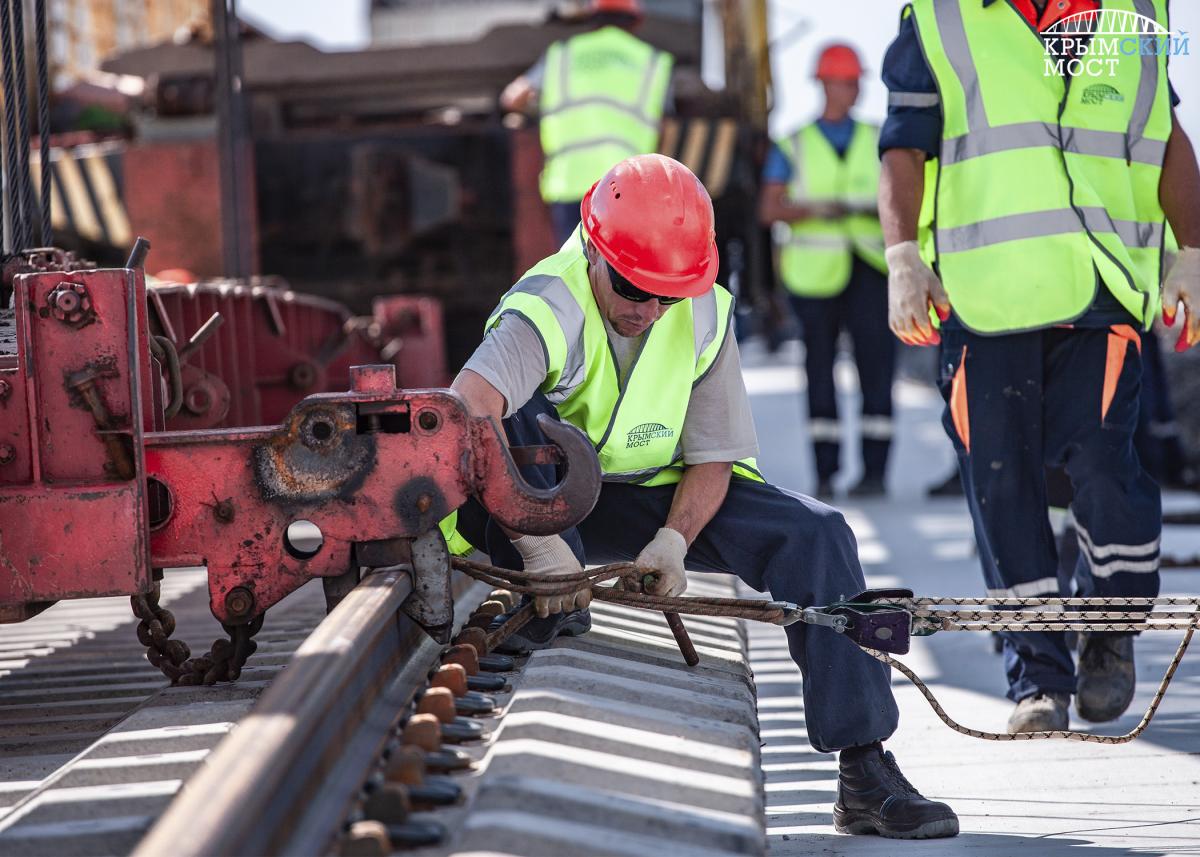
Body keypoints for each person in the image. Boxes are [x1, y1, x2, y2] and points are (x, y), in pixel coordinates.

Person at [446, 153, 959, 839]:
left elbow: (715, 456)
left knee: (818, 534)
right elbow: (463, 409)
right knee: (507, 425)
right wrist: (537, 537)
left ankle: (864, 770)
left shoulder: (705, 310)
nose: (650, 311)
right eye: (633, 290)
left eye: (668, 294)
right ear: (595, 250)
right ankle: (546, 602)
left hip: (641, 498)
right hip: (530, 503)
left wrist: (674, 540)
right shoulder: (551, 301)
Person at [878, 0, 1200, 733]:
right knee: (1003, 488)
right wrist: (904, 257)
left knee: (1106, 467)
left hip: (1101, 290)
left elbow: (1165, 133)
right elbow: (902, 145)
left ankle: (1111, 629)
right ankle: (1038, 682)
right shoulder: (938, 19)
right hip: (986, 297)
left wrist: (1192, 251)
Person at [760, 44, 892, 499]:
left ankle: (875, 471)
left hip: (870, 268)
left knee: (877, 368)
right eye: (846, 81)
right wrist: (818, 208)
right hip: (815, 277)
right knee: (820, 371)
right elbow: (770, 207)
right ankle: (826, 471)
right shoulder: (793, 143)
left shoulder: (878, 138)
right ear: (824, 85)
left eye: (857, 82)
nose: (854, 90)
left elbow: (903, 194)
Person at [500, 0, 674, 245]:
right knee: (619, 263)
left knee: (575, 266)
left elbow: (513, 97)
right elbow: (663, 127)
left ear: (591, 18)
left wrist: (542, 109)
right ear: (637, 21)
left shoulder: (562, 53)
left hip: (568, 181)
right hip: (625, 183)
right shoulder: (654, 61)